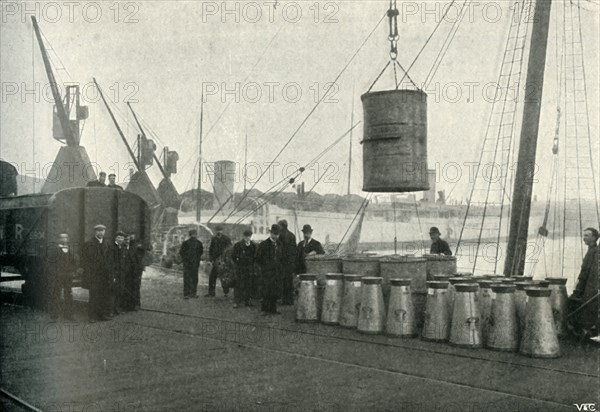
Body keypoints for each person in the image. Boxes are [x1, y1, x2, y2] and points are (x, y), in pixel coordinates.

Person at [568, 227, 599, 341]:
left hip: (589, 288)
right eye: (583, 235)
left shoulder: (595, 252)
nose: (584, 238)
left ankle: (584, 331)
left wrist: (579, 289)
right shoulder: (592, 250)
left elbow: (588, 273)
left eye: (587, 235)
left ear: (594, 237)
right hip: (585, 286)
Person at [82, 224, 111, 322]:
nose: (100, 232)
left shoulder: (107, 244)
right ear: (95, 232)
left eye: (102, 230)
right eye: (98, 230)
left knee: (103, 295)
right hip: (93, 274)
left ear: (104, 232)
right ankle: (92, 316)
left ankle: (101, 315)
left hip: (104, 274)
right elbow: (85, 260)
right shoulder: (89, 243)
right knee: (94, 296)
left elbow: (109, 259)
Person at [47, 233, 77, 320]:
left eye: (66, 237)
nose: (64, 239)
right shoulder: (54, 250)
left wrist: (72, 271)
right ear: (59, 239)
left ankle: (68, 314)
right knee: (56, 294)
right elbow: (50, 263)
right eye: (62, 237)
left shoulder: (69, 250)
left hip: (67, 276)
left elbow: (73, 262)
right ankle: (54, 315)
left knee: (68, 294)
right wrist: (54, 273)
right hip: (58, 276)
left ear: (68, 239)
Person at [256, 224, 284, 315]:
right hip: (267, 271)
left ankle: (273, 309)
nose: (276, 236)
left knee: (274, 290)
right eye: (274, 234)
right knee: (266, 291)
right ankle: (264, 309)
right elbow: (258, 258)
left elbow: (281, 257)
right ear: (271, 233)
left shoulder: (280, 244)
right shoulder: (263, 244)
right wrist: (264, 268)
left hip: (276, 271)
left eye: (278, 234)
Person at [232, 229, 257, 308]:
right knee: (239, 285)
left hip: (249, 268)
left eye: (249, 236)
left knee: (249, 285)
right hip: (241, 267)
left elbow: (255, 256)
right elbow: (233, 256)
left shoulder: (253, 245)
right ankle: (236, 302)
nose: (247, 238)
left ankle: (247, 300)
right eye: (246, 236)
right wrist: (237, 261)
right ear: (243, 236)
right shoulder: (238, 245)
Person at [207, 225, 232, 297]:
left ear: (222, 231)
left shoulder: (227, 239)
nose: (219, 231)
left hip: (224, 261)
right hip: (216, 261)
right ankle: (211, 293)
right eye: (217, 230)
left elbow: (230, 249)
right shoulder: (214, 239)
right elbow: (211, 250)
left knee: (224, 276)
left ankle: (226, 292)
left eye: (220, 230)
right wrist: (211, 259)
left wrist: (227, 259)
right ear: (215, 231)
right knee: (212, 276)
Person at [179, 229, 204, 299]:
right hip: (193, 263)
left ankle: (189, 293)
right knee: (192, 278)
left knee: (190, 278)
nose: (194, 236)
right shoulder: (198, 243)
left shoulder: (186, 243)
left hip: (190, 263)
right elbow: (201, 252)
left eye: (194, 234)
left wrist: (185, 260)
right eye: (193, 234)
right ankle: (191, 293)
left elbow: (181, 252)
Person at [277, 219, 297, 305]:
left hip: (283, 261)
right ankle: (290, 300)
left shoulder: (280, 235)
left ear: (281, 226)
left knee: (282, 281)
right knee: (289, 281)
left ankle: (284, 299)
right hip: (291, 262)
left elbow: (280, 249)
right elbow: (294, 250)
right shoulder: (292, 235)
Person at [108, 231, 127, 315]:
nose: (120, 239)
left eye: (122, 238)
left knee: (120, 291)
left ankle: (117, 309)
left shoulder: (123, 247)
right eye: (119, 237)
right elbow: (110, 262)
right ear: (115, 238)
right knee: (112, 292)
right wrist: (113, 274)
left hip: (122, 273)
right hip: (114, 273)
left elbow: (125, 260)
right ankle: (110, 310)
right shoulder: (111, 247)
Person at [128, 233, 146, 309]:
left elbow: (142, 255)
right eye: (129, 235)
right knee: (131, 286)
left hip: (137, 269)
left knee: (135, 286)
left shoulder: (138, 245)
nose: (131, 236)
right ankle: (132, 304)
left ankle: (136, 304)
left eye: (132, 234)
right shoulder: (129, 244)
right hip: (131, 268)